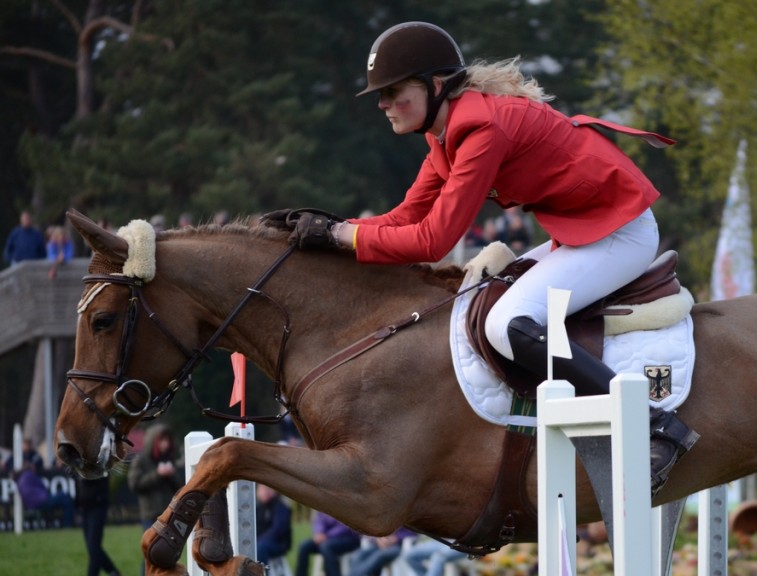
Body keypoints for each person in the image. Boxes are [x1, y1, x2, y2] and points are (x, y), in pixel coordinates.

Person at [269, 21, 694, 496]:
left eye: (392, 92)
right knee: (485, 303)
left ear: (434, 87)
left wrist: (343, 236)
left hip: (621, 233)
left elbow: (433, 240)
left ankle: (655, 426)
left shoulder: (480, 129)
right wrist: (332, 230)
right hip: (583, 233)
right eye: (379, 95)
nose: (383, 104)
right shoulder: (445, 133)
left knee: (508, 323)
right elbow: (406, 215)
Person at [127, 424, 185, 576]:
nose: (165, 444)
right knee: (150, 554)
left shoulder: (170, 459)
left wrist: (171, 474)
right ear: (154, 441)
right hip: (150, 515)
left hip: (169, 515)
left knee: (170, 553)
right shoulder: (141, 461)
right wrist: (157, 475)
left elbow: (180, 487)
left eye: (168, 440)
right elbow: (135, 484)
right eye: (162, 440)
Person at [330, 528, 417, 576]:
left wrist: (396, 538)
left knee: (378, 556)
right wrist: (378, 538)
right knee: (356, 556)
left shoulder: (408, 512)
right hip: (377, 544)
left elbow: (415, 532)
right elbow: (370, 530)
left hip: (398, 546)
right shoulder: (384, 510)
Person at [77, 474, 129, 576]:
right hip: (85, 505)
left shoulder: (100, 459)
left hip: (98, 505)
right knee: (92, 548)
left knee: (93, 546)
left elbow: (92, 476)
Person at [291, 511, 362, 576]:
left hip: (348, 538)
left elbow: (346, 525)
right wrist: (318, 533)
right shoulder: (324, 502)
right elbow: (318, 520)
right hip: (325, 538)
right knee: (304, 546)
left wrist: (327, 536)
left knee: (326, 547)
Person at [14, 456, 75, 527]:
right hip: (41, 501)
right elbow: (42, 487)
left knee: (62, 497)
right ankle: (67, 524)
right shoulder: (30, 475)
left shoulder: (21, 478)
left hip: (33, 503)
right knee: (65, 498)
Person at [255, 484, 292, 565]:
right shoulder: (258, 508)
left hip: (278, 544)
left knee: (260, 547)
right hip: (261, 541)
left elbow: (279, 528)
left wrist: (260, 539)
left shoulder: (280, 506)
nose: (263, 492)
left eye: (265, 489)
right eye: (261, 490)